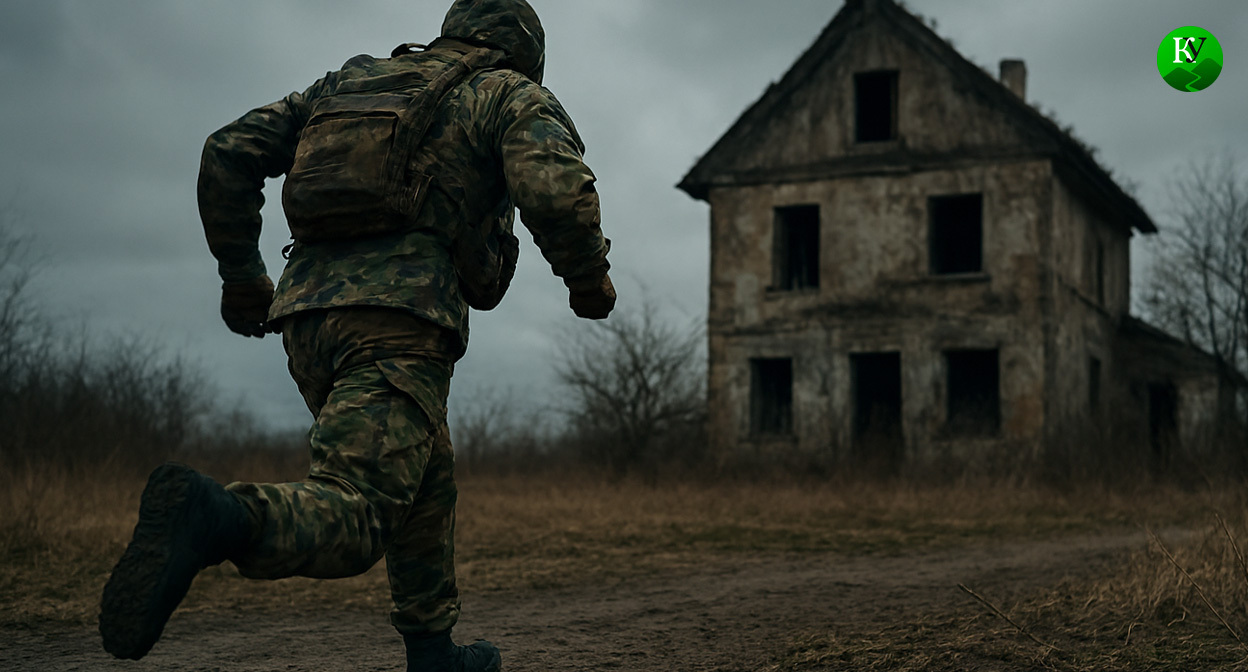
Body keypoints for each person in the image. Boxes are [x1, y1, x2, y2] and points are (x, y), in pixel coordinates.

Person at [98, 1, 614, 670]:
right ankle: (219, 518)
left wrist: (245, 281)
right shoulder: (505, 91)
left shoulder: (346, 84)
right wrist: (587, 280)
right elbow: (556, 189)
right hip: (399, 320)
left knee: (427, 474)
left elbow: (228, 150)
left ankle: (433, 652)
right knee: (361, 509)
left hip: (306, 319)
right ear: (525, 51)